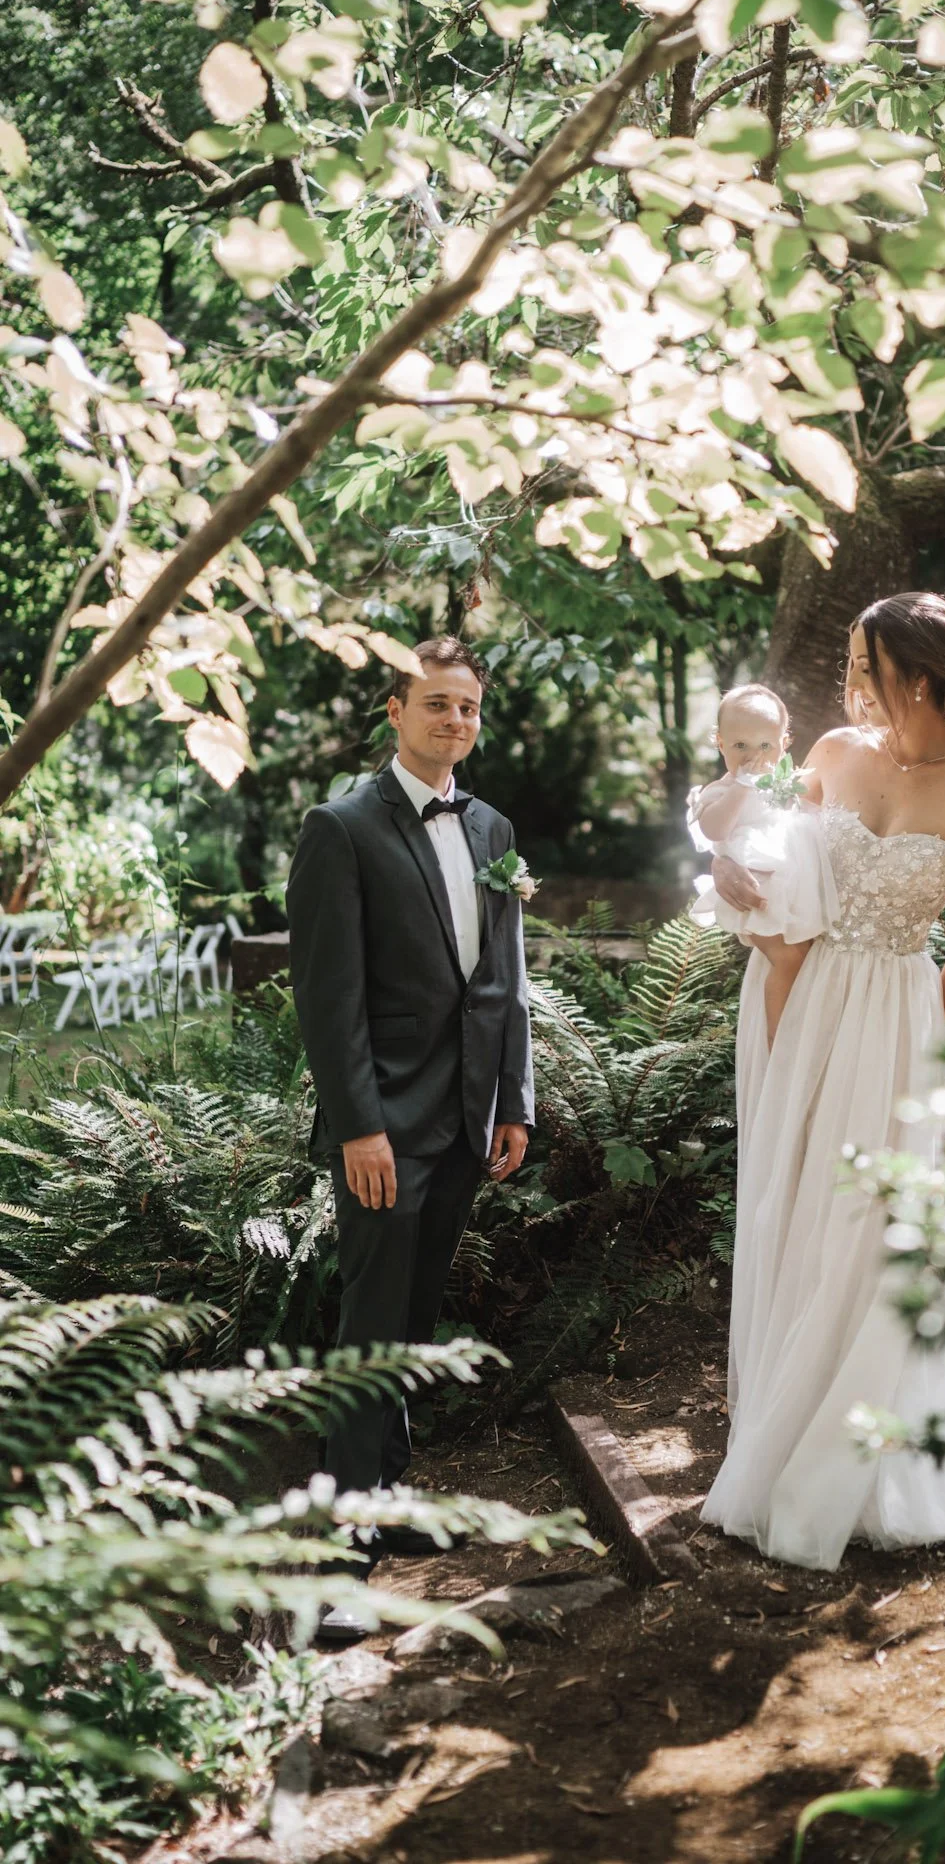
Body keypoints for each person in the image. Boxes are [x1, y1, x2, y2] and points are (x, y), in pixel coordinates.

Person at [700, 592, 945, 1570]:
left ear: (912, 674)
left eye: (864, 664)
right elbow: (774, 863)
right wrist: (726, 863)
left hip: (898, 1015)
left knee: (872, 1221)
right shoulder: (829, 754)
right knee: (793, 1200)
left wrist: (926, 1032)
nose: (850, 682)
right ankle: (779, 1404)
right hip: (797, 995)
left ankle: (856, 1437)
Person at [287, 635, 533, 1635]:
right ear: (393, 709)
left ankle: (384, 1502)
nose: (455, 722)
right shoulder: (340, 827)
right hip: (385, 1121)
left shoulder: (493, 826)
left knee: (415, 1317)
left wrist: (515, 1098)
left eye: (468, 706)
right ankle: (343, 1541)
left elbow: (507, 977)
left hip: (471, 1113)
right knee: (369, 1323)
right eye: (437, 703)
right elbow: (327, 997)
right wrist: (359, 1127)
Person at [687, 683, 839, 1044]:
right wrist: (741, 786)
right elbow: (714, 829)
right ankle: (779, 1043)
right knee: (787, 960)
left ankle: (796, 1034)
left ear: (784, 744)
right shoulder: (721, 791)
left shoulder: (782, 785)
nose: (753, 756)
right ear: (720, 743)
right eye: (740, 745)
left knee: (802, 958)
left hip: (787, 891)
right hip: (752, 894)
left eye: (765, 746)